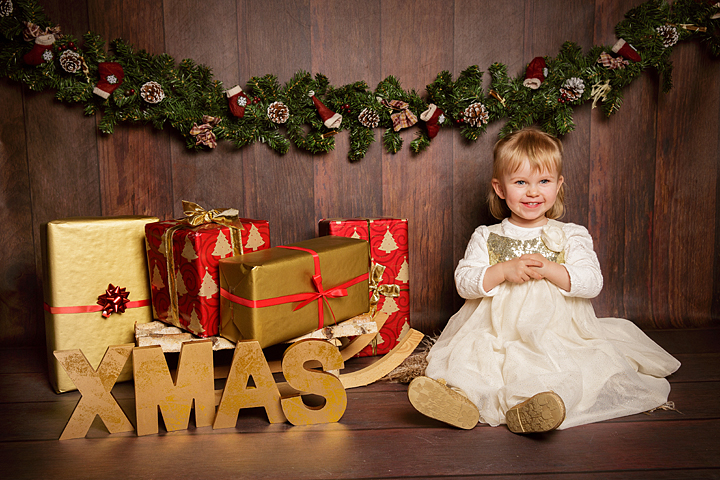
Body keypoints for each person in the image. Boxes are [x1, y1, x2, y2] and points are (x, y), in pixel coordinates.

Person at [407, 127, 681, 433]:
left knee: (557, 367)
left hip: (557, 331)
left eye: (544, 182)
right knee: (479, 365)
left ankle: (533, 409)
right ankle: (460, 402)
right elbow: (464, 281)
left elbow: (592, 281)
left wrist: (552, 269)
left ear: (558, 184)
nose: (533, 192)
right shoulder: (487, 236)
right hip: (495, 332)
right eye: (521, 182)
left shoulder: (571, 234)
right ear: (500, 188)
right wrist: (502, 271)